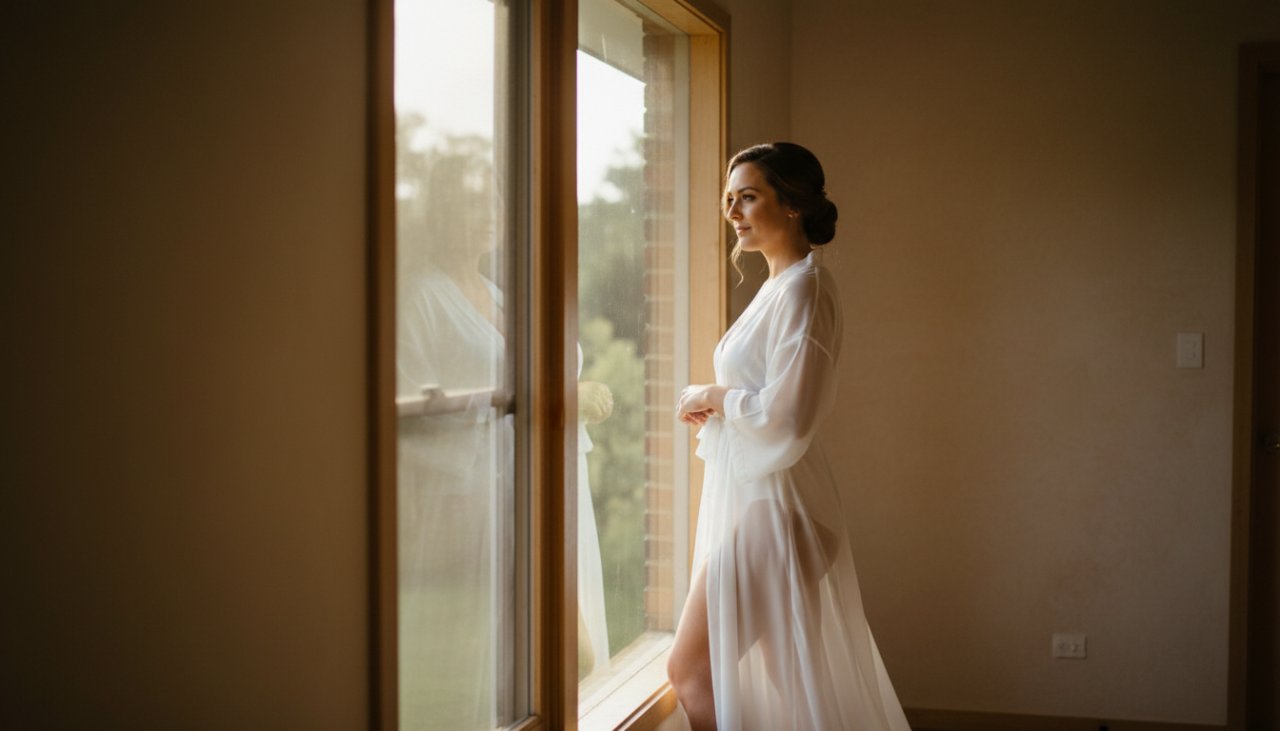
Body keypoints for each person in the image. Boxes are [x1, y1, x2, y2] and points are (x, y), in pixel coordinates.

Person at [670, 142, 911, 731]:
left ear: (794, 204)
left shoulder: (804, 288)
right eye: (730, 199)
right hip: (771, 508)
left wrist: (713, 397)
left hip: (781, 513)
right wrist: (720, 402)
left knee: (691, 669)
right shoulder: (780, 287)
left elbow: (788, 417)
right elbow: (771, 398)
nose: (733, 212)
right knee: (795, 690)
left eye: (749, 197)